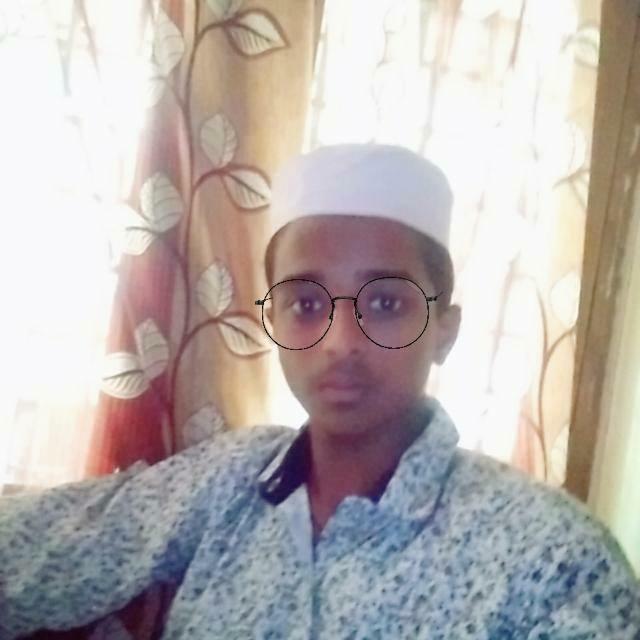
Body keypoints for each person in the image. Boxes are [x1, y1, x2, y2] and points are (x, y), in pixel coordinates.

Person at [1, 144, 639, 639]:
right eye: (306, 303)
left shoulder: (554, 559)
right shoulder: (230, 481)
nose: (339, 341)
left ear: (444, 331)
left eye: (384, 303)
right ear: (271, 321)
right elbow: (41, 555)